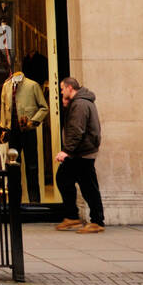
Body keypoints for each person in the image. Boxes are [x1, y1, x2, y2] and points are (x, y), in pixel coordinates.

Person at [54, 77, 105, 233]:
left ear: (70, 88)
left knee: (88, 187)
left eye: (62, 89)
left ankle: (96, 221)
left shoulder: (80, 104)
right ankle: (72, 217)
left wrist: (66, 151)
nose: (61, 92)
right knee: (64, 179)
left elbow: (77, 130)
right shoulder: (78, 103)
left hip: (82, 152)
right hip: (80, 151)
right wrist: (65, 105)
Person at [0, 70, 47, 203]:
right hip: (12, 132)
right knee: (13, 167)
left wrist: (33, 121)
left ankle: (35, 201)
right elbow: (4, 108)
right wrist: (4, 128)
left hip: (28, 131)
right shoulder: (6, 86)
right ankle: (15, 201)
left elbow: (44, 107)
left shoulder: (32, 86)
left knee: (32, 167)